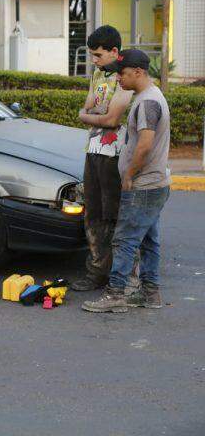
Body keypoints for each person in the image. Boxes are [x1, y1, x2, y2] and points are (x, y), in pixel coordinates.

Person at [82, 50, 171, 313]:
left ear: (138, 72)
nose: (118, 77)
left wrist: (129, 175)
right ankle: (149, 293)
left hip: (144, 185)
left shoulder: (147, 103)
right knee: (148, 241)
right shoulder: (149, 98)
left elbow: (144, 144)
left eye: (122, 72)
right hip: (154, 184)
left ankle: (116, 295)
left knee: (124, 240)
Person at [72, 25, 134, 291]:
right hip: (94, 149)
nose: (94, 61)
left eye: (98, 55)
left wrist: (91, 116)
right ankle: (97, 271)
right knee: (93, 214)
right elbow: (89, 105)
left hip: (116, 156)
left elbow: (111, 118)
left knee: (115, 216)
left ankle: (121, 278)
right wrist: (95, 114)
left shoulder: (126, 74)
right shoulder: (98, 72)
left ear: (114, 52)